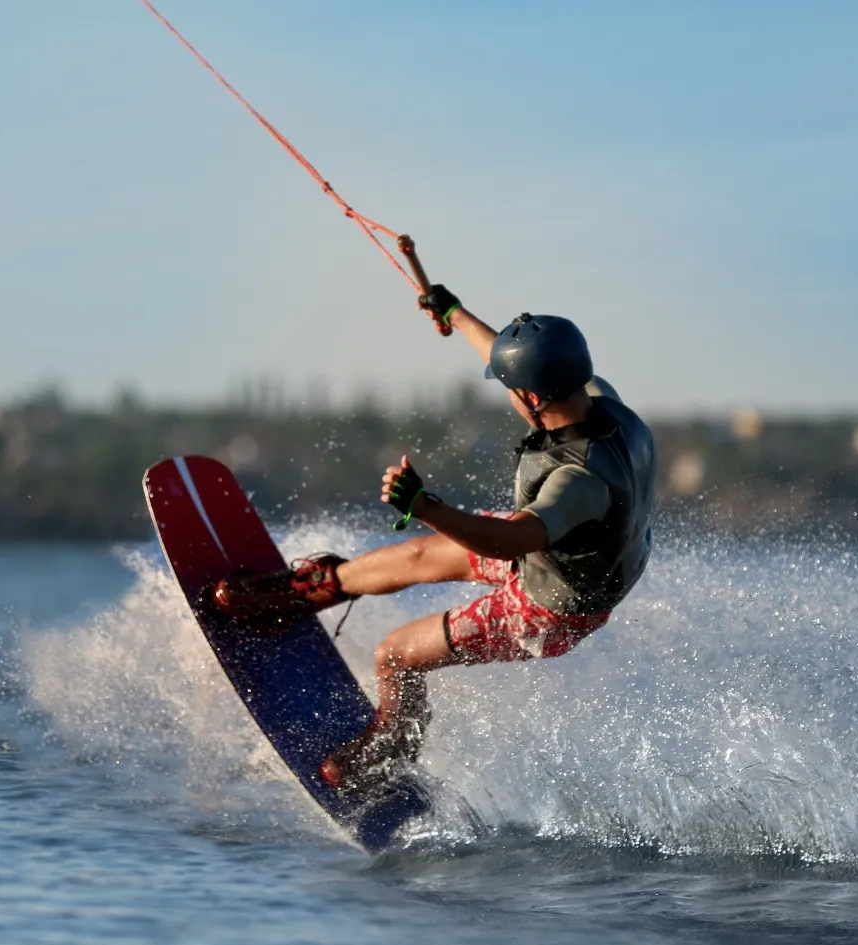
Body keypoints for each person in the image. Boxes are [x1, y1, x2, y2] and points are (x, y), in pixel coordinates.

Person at [214, 283, 657, 796]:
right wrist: (456, 314)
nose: (509, 394)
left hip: (551, 605)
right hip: (553, 552)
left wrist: (422, 506)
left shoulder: (577, 481)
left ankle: (393, 747)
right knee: (419, 553)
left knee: (395, 655)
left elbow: (511, 540)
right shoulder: (597, 397)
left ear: (531, 398)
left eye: (511, 388)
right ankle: (306, 590)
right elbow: (523, 364)